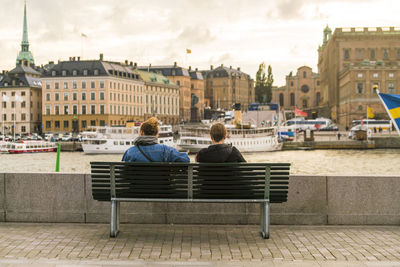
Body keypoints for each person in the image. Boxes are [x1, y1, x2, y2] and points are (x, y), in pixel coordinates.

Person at [122, 117, 189, 162]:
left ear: (141, 132)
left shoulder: (129, 152)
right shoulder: (165, 150)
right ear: (157, 134)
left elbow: (122, 172)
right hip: (161, 183)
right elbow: (186, 160)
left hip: (136, 183)